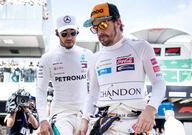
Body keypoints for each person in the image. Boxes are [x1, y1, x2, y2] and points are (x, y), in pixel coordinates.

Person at [77, 2, 166, 135]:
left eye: (103, 24)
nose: (99, 31)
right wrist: (84, 119)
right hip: (106, 126)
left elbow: (159, 82)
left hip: (137, 126)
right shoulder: (95, 58)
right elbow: (93, 93)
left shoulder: (141, 47)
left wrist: (151, 109)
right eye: (95, 28)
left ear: (118, 22)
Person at [36, 14, 93, 135]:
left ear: (78, 32)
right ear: (57, 33)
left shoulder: (87, 54)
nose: (69, 37)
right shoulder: (47, 58)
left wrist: (89, 114)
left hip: (84, 114)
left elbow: (95, 87)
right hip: (61, 114)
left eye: (73, 33)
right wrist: (42, 119)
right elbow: (41, 90)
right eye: (64, 34)